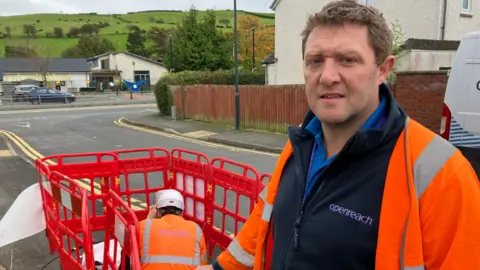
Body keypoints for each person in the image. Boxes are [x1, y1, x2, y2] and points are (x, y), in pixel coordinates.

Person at [196, 0, 480, 269]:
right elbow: (256, 237)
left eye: (347, 59)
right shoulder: (298, 148)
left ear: (383, 69)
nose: (327, 76)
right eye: (315, 61)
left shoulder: (441, 173)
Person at [140, 189, 208, 269]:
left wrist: (149, 218)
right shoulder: (196, 229)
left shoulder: (144, 226)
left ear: (157, 212)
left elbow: (130, 245)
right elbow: (203, 264)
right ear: (182, 212)